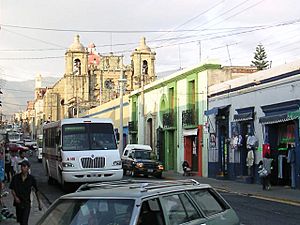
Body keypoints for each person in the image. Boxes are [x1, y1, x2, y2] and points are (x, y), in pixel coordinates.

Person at [9, 160, 42, 225]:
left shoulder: (31, 179)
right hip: (18, 203)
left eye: (24, 166)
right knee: (20, 221)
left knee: (24, 222)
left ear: (28, 168)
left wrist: (39, 203)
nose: (22, 168)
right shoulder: (16, 178)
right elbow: (12, 189)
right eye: (21, 166)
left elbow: (36, 191)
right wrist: (15, 197)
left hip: (26, 203)